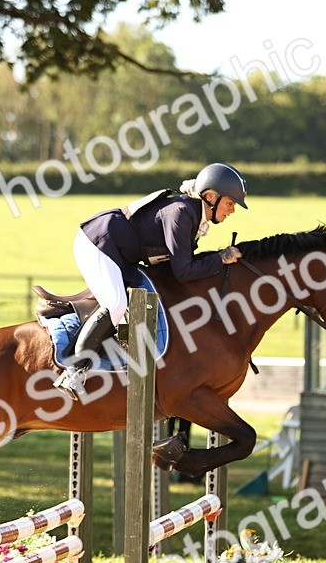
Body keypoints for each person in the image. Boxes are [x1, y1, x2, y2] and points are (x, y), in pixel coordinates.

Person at [53, 163, 248, 399]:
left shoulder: (194, 216)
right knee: (116, 304)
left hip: (120, 254)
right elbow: (184, 271)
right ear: (210, 197)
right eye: (230, 203)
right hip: (98, 243)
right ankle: (74, 370)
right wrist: (220, 258)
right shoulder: (182, 213)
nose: (232, 211)